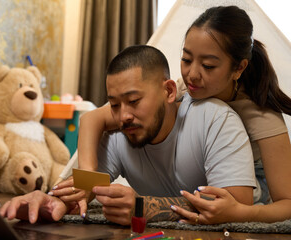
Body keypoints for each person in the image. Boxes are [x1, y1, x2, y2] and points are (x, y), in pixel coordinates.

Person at [54, 6, 291, 224]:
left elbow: (287, 204)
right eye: (186, 59)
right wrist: (87, 180)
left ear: (239, 68)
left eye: (208, 66)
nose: (192, 74)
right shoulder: (183, 89)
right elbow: (91, 118)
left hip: (254, 180)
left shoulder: (262, 115)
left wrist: (243, 213)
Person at [0, 45, 256, 225]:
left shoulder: (215, 119)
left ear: (168, 92)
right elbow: (83, 189)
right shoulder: (120, 134)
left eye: (133, 101)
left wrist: (144, 206)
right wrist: (49, 201)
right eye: (114, 104)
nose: (123, 116)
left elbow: (237, 204)